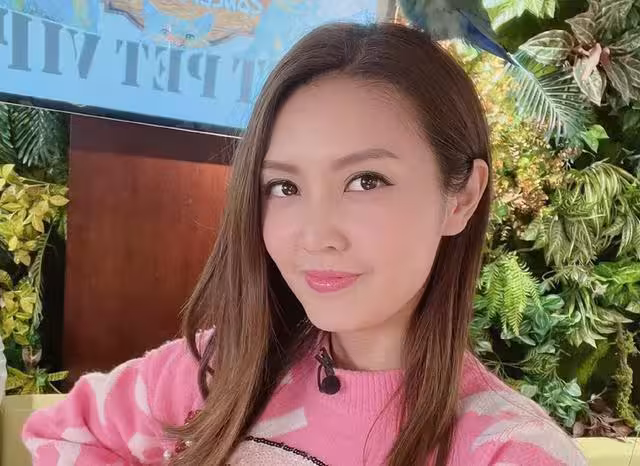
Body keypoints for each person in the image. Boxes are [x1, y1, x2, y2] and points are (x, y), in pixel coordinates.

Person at [22, 22, 587, 465]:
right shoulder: (223, 368)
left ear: (461, 197)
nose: (316, 235)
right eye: (284, 187)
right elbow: (65, 433)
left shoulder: (509, 451)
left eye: (366, 181)